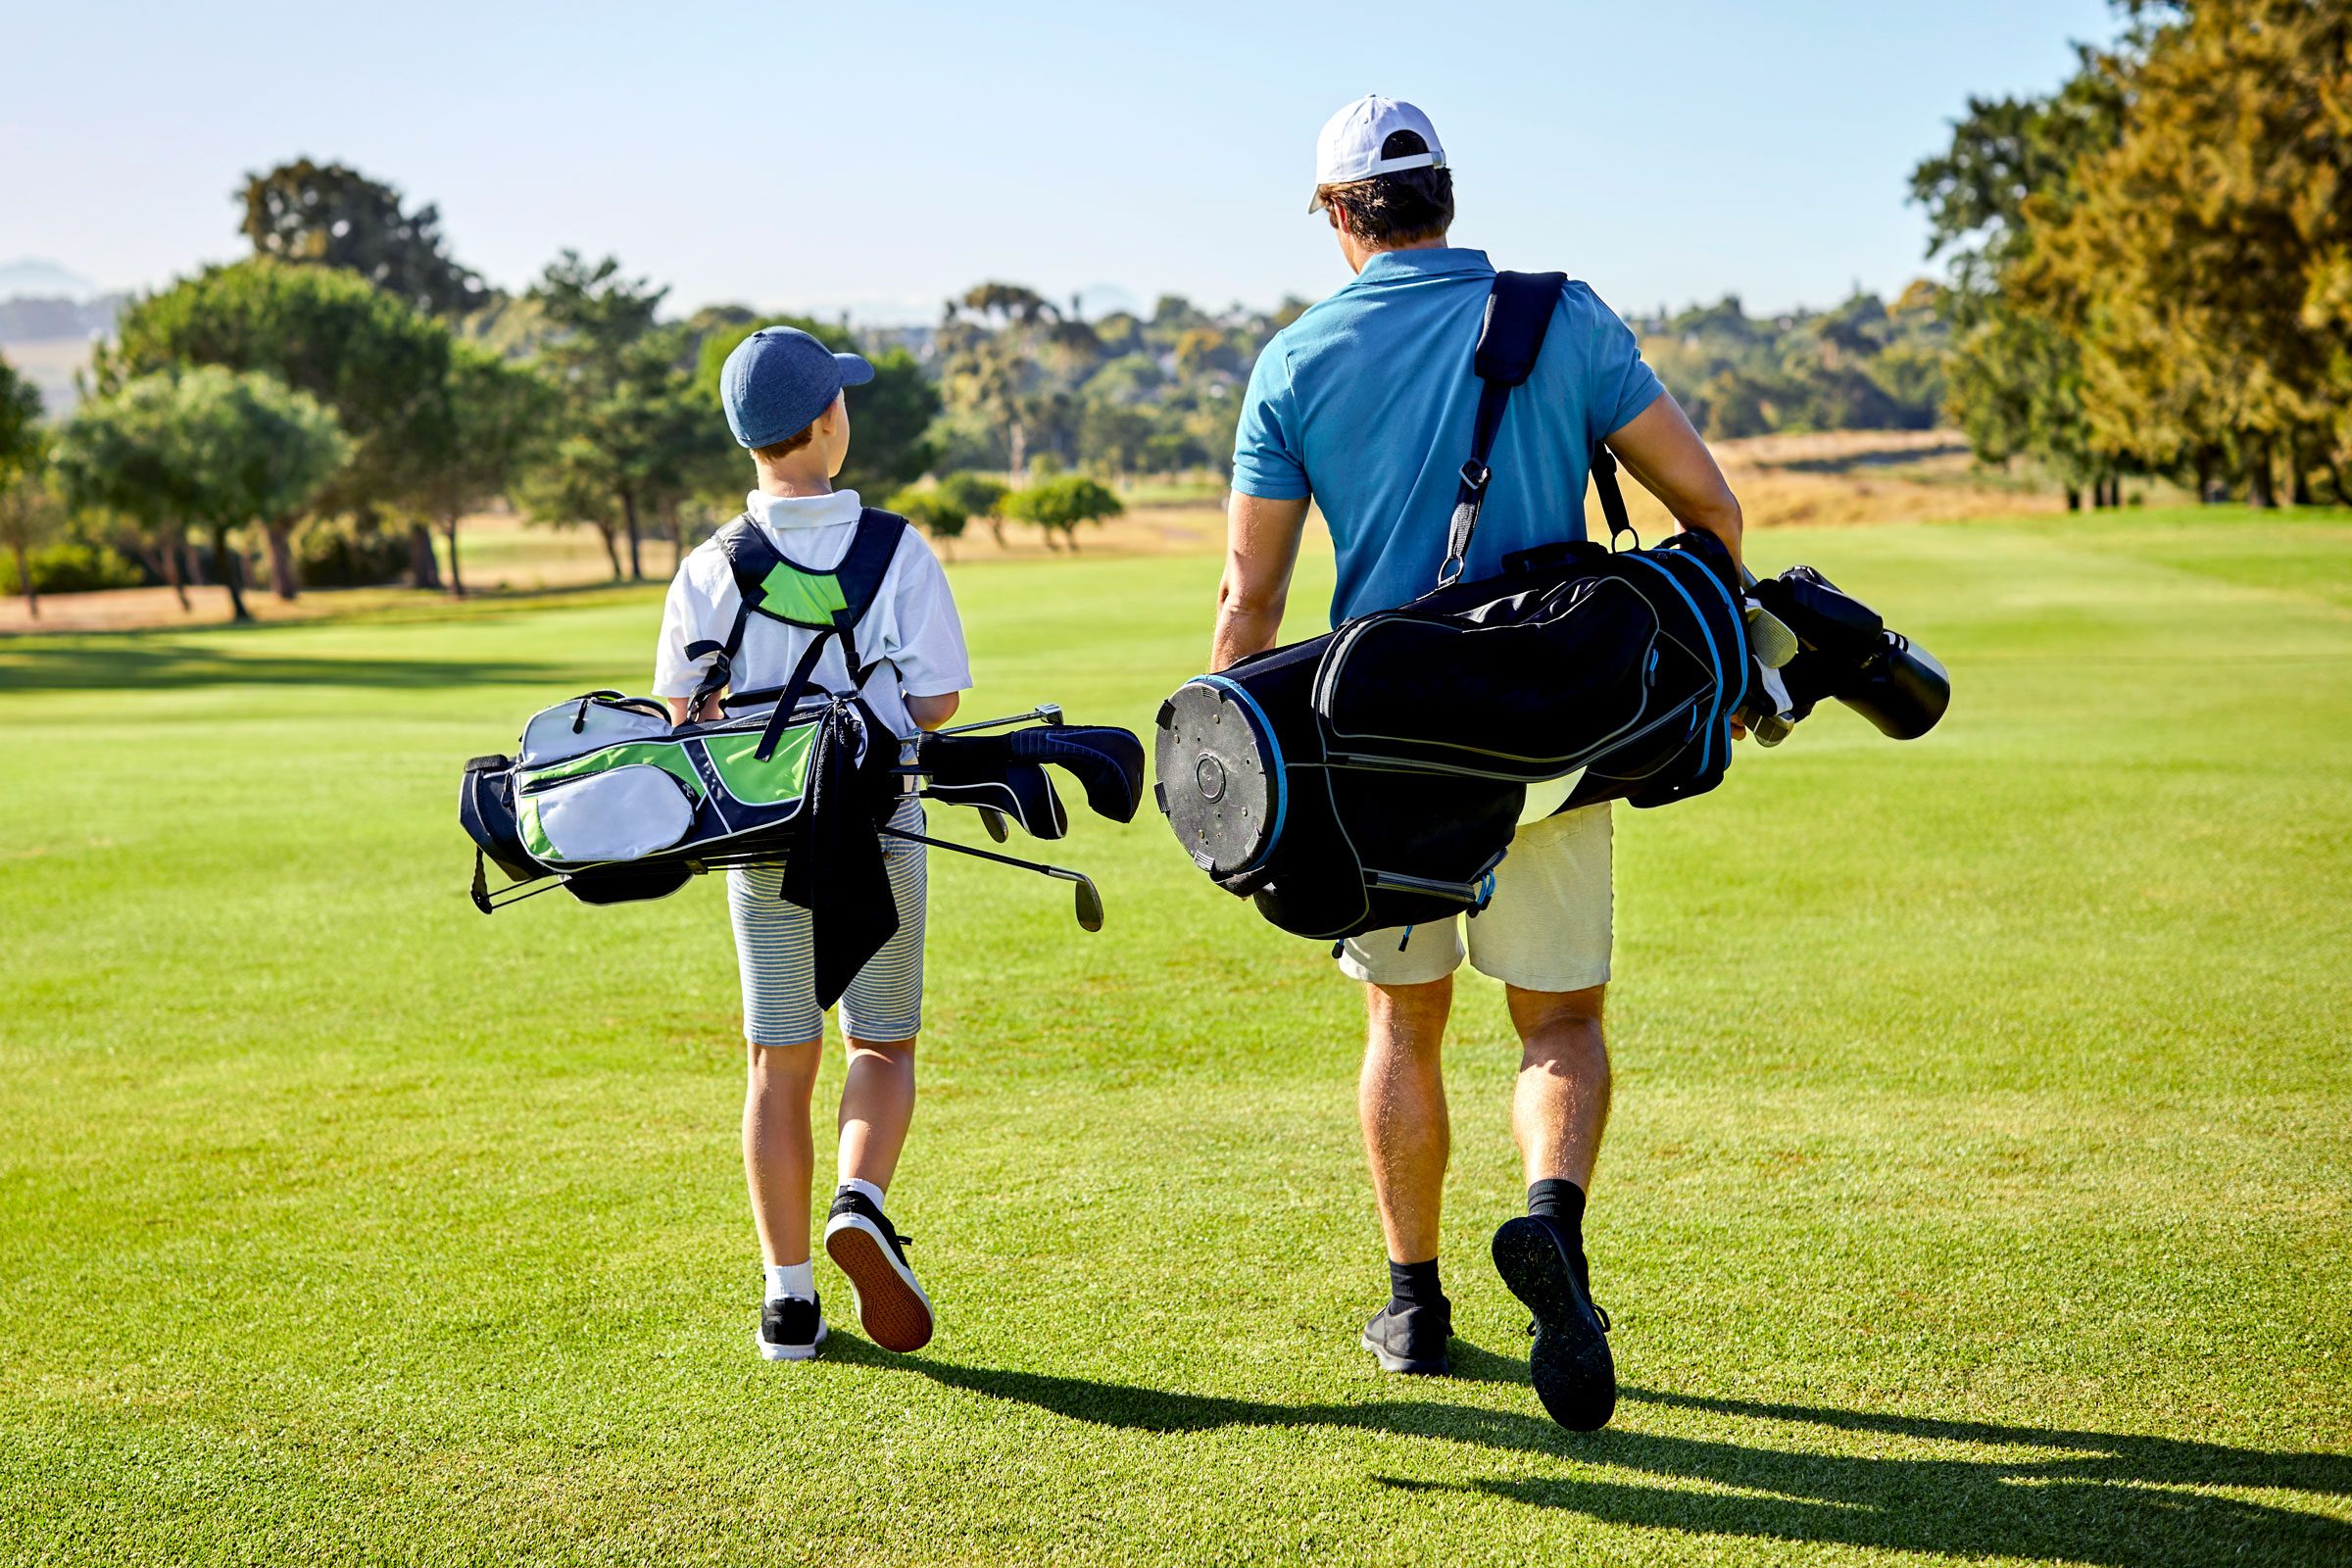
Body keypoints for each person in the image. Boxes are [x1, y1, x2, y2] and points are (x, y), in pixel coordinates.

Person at [1211, 96, 1745, 1432]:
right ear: (1445, 196)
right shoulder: (1561, 316)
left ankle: (1413, 1301)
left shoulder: (1292, 360)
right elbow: (1712, 508)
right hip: (1555, 740)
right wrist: (1726, 669)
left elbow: (1247, 607)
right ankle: (1551, 1226)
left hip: (1380, 757)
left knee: (1403, 1022)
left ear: (1338, 214)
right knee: (1560, 1023)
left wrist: (1230, 783)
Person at [655, 327, 971, 1362]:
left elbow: (679, 717)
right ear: (830, 421)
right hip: (880, 824)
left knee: (775, 1062)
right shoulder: (899, 546)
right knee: (879, 1041)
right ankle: (862, 1197)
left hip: (762, 841)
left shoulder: (708, 566)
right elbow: (937, 700)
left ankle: (789, 1300)